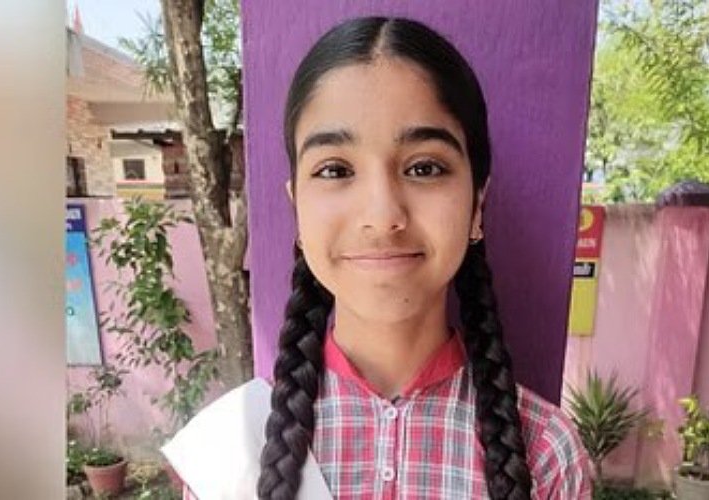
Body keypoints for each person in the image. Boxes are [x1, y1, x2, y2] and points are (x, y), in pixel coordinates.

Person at [163, 16, 593, 500]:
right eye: (335, 170)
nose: (382, 215)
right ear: (297, 208)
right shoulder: (231, 453)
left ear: (477, 205)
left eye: (424, 168)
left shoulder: (546, 454)